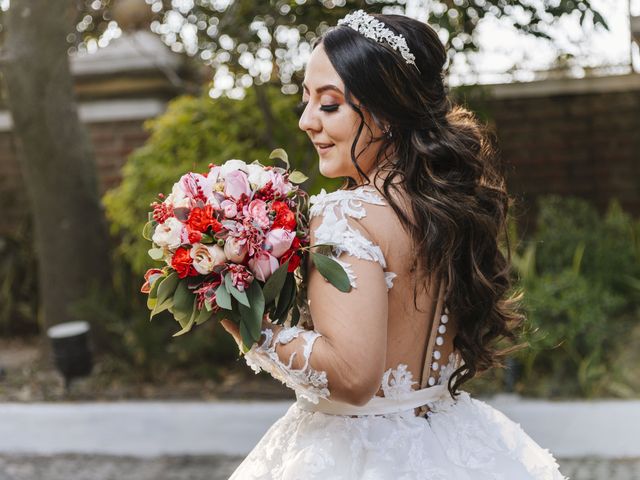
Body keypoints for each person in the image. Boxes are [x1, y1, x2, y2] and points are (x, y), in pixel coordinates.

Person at [221, 9, 566, 479]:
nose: (306, 121)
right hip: (451, 439)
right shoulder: (446, 209)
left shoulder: (344, 216)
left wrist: (250, 328)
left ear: (385, 112)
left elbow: (353, 376)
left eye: (329, 104)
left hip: (358, 454)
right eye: (306, 101)